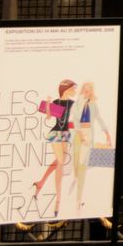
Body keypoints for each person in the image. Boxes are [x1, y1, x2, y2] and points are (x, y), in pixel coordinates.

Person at [31, 80, 76, 215]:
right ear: (66, 89)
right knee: (60, 162)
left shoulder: (73, 103)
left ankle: (40, 183)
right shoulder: (56, 102)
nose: (75, 91)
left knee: (58, 161)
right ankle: (58, 199)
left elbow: (74, 121)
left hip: (66, 134)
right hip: (56, 133)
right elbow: (49, 117)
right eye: (73, 88)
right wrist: (48, 104)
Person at [69, 81, 114, 210]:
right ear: (82, 90)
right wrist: (80, 135)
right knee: (76, 161)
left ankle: (79, 199)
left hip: (88, 133)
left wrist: (107, 133)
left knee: (82, 165)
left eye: (89, 90)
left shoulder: (93, 105)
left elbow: (99, 119)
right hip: (78, 134)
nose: (87, 92)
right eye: (85, 89)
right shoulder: (77, 104)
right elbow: (75, 120)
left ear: (91, 92)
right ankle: (76, 176)